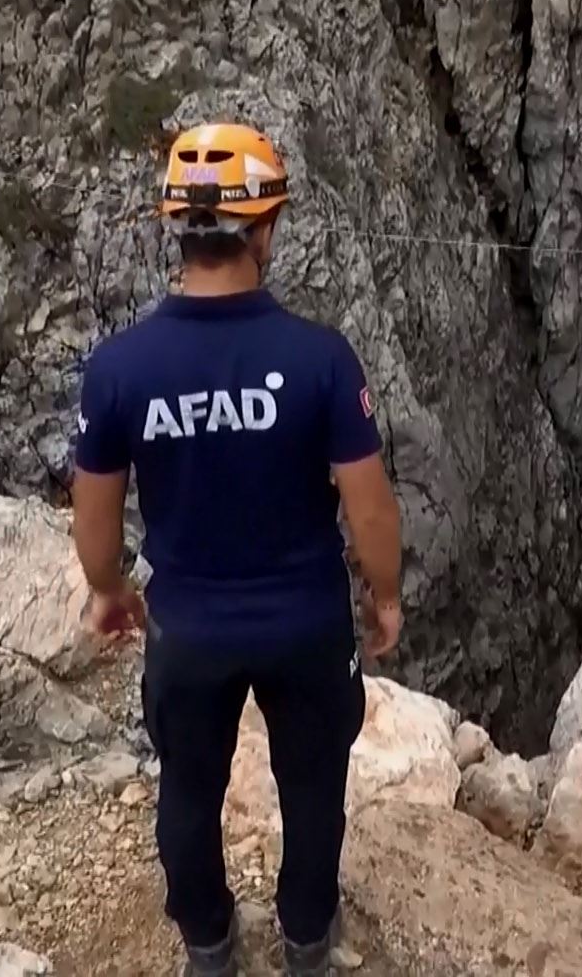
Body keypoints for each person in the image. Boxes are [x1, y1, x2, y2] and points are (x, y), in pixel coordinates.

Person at [70, 122, 404, 977]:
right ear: (265, 229)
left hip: (189, 628)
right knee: (312, 786)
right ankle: (306, 942)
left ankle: (210, 946)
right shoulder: (320, 359)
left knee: (189, 788)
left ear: (175, 229)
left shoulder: (121, 368)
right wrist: (385, 597)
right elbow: (369, 508)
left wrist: (108, 590)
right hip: (305, 622)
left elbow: (95, 517)